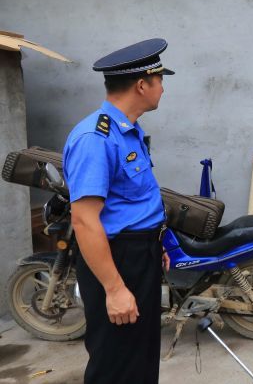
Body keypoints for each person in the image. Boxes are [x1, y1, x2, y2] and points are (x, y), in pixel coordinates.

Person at [63, 39, 174, 384]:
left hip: (140, 254)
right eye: (160, 80)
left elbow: (133, 201)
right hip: (116, 259)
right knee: (116, 363)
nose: (163, 88)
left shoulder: (128, 131)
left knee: (140, 358)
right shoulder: (95, 138)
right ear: (142, 85)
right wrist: (114, 289)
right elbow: (84, 220)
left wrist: (156, 243)